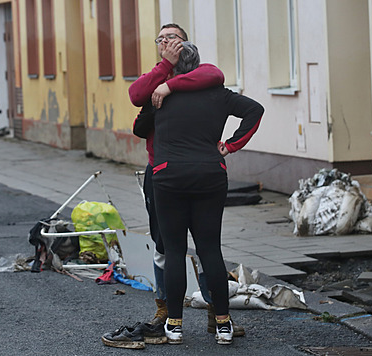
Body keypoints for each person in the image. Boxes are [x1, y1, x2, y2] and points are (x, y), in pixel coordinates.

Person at [101, 24, 243, 349]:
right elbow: (136, 96)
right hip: (167, 172)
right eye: (161, 39)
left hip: (178, 174)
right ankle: (170, 312)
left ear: (185, 44)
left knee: (192, 247)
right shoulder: (156, 78)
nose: (167, 42)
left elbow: (214, 74)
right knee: (168, 246)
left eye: (173, 38)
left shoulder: (196, 77)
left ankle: (205, 313)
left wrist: (169, 86)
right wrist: (163, 74)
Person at [150, 41, 263, 345]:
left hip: (169, 176)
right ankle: (223, 325)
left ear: (175, 68)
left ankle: (174, 325)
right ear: (198, 67)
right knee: (210, 249)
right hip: (210, 175)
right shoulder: (220, 95)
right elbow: (255, 110)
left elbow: (139, 127)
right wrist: (230, 145)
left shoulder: (159, 96)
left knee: (174, 249)